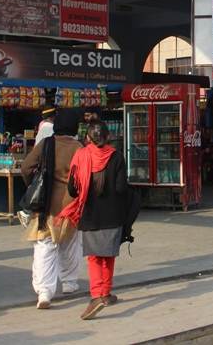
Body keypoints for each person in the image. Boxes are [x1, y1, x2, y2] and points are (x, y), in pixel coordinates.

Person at [60, 122, 136, 320]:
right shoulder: (117, 157)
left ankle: (96, 295)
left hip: (90, 215)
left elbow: (72, 190)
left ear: (88, 138)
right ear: (108, 136)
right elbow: (121, 189)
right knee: (108, 256)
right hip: (113, 215)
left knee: (94, 257)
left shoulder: (81, 156)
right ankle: (106, 293)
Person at [21, 109, 84, 309]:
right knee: (71, 244)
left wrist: (34, 184)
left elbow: (26, 167)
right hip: (71, 205)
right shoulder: (79, 148)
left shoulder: (46, 144)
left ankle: (45, 291)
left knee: (44, 246)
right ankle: (69, 283)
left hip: (46, 205)